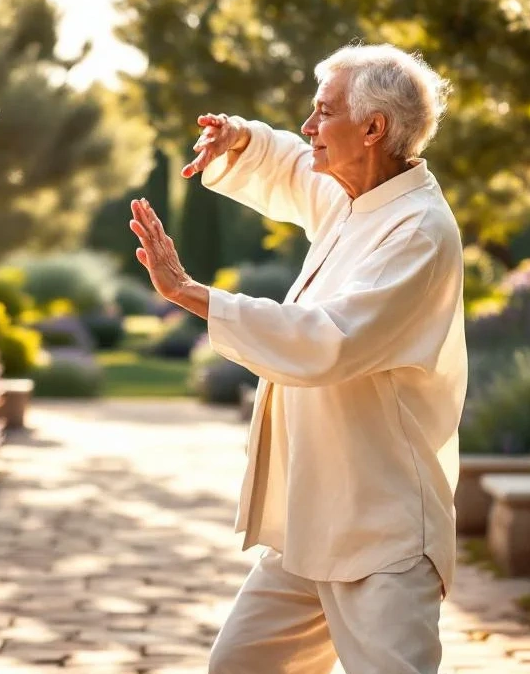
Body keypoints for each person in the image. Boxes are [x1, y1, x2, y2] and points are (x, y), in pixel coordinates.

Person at [128, 43, 466, 674]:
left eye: (323, 112)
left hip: (382, 532)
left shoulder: (418, 230)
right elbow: (293, 165)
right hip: (311, 523)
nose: (309, 126)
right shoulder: (355, 199)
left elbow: (328, 342)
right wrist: (241, 138)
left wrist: (191, 294)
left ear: (373, 128)